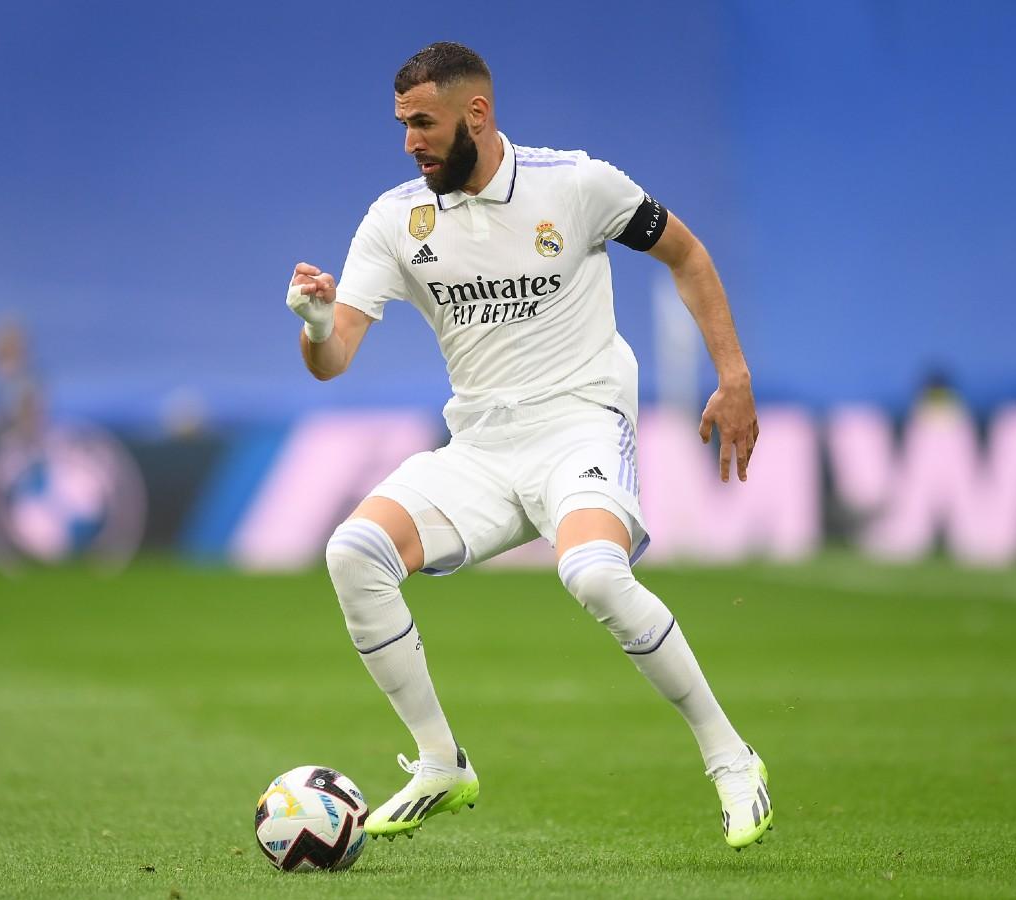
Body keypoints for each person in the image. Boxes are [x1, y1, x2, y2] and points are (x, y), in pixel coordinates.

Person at [286, 42, 769, 850]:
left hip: (580, 424)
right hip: (480, 446)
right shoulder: (395, 219)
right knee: (353, 553)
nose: (409, 142)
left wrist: (734, 374)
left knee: (594, 574)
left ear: (476, 114)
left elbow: (686, 253)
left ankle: (731, 757)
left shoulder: (575, 184)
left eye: (423, 122)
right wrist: (312, 323)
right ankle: (441, 763)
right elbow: (334, 359)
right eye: (402, 124)